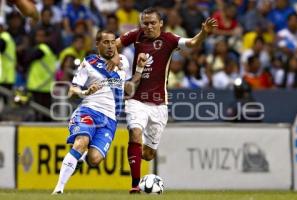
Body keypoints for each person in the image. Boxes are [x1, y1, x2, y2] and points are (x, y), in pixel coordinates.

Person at [114, 7, 217, 193]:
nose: (149, 26)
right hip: (136, 99)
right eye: (145, 23)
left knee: (148, 154)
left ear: (161, 23)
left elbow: (192, 43)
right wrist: (113, 60)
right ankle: (135, 185)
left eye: (153, 23)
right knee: (135, 133)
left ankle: (141, 164)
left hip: (160, 104)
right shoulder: (136, 35)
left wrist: (203, 33)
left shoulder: (169, 39)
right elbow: (115, 44)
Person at [52, 30, 147, 194]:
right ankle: (58, 189)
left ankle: (80, 158)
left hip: (110, 119)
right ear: (97, 45)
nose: (110, 46)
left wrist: (139, 68)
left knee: (95, 159)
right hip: (89, 111)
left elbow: (130, 85)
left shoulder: (123, 61)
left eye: (112, 42)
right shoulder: (89, 62)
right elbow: (72, 89)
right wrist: (86, 92)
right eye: (106, 42)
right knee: (81, 141)